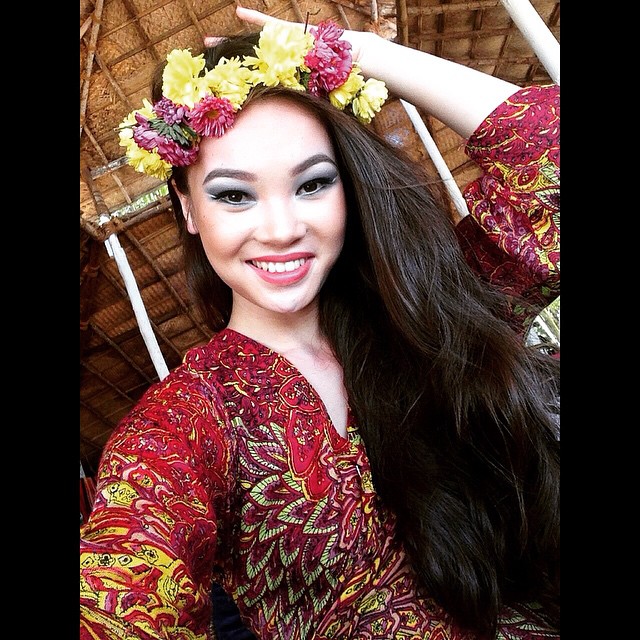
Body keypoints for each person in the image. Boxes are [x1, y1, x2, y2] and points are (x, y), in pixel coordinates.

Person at [80, 5, 560, 639]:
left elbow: (549, 160)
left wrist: (359, 53)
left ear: (348, 188)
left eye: (311, 185)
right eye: (233, 194)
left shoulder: (430, 315)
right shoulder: (185, 425)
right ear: (188, 209)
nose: (281, 230)